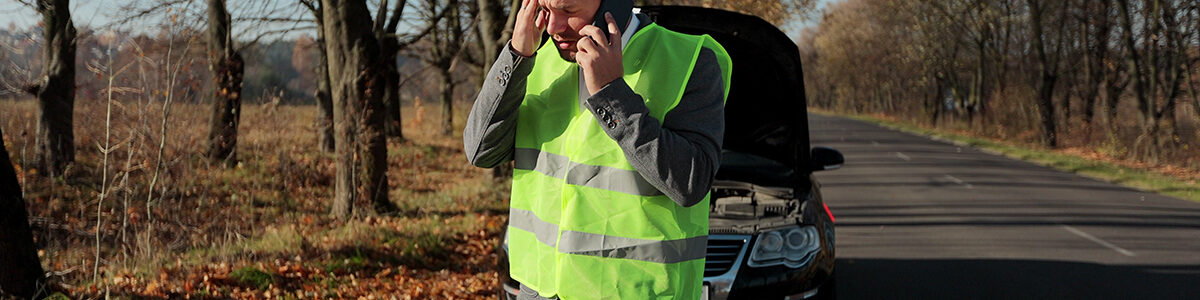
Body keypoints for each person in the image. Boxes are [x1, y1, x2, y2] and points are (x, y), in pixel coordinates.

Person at [463, 0, 730, 298]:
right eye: (546, 10)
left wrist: (612, 94)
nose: (553, 28)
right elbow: (481, 151)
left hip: (636, 293)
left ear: (612, 5)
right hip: (538, 290)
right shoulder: (536, 58)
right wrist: (515, 56)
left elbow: (690, 182)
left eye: (569, 11)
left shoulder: (690, 60)